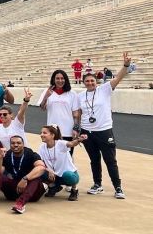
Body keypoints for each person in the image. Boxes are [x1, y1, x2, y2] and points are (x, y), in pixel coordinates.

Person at [78, 53, 131, 199]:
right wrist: (77, 129)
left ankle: (118, 187)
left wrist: (125, 65)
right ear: (84, 83)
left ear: (96, 81)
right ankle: (97, 184)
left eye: (92, 81)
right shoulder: (80, 96)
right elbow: (78, 113)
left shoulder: (105, 89)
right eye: (87, 81)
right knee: (94, 159)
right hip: (87, 131)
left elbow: (118, 78)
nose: (90, 83)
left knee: (110, 160)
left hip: (104, 131)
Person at [0, 135, 46, 214]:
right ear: (10, 145)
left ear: (23, 144)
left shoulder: (30, 154)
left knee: (35, 178)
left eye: (18, 143)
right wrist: (0, 158)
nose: (16, 145)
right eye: (13, 143)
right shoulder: (7, 155)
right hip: (13, 192)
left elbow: (41, 167)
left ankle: (20, 204)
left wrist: (25, 179)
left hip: (32, 193)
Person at [38, 125, 82, 202]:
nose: (41, 135)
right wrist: (49, 170)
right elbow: (40, 162)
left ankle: (74, 190)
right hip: (55, 176)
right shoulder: (42, 147)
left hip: (69, 175)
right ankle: (53, 187)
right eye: (41, 133)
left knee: (68, 175)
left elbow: (71, 144)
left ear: (52, 135)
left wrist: (78, 140)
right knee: (38, 170)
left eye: (44, 133)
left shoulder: (60, 144)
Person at [39, 70, 81, 143]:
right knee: (52, 153)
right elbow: (42, 108)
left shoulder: (72, 93)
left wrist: (76, 128)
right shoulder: (47, 91)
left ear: (66, 79)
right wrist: (46, 97)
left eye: (62, 78)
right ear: (53, 79)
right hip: (52, 130)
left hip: (68, 131)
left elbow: (76, 114)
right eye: (57, 78)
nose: (60, 80)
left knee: (67, 154)